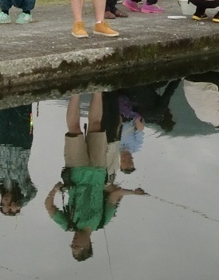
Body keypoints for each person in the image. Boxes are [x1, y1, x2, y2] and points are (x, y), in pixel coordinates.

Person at [44, 91, 145, 261]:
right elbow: (114, 195)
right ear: (88, 245)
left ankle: (75, 92)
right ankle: (98, 90)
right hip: (99, 171)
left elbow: (49, 207)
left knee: (74, 129)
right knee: (96, 126)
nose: (74, 242)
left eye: (72, 245)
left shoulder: (68, 224)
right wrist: (133, 193)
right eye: (77, 246)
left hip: (77, 171)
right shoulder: (102, 222)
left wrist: (54, 190)